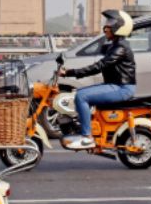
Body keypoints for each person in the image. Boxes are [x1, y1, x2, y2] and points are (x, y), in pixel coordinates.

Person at [58, 10, 136, 150]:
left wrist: (70, 72)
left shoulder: (121, 48)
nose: (105, 28)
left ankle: (87, 137)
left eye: (108, 26)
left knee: (82, 96)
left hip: (122, 87)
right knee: (80, 92)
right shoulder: (115, 45)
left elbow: (99, 66)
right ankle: (85, 126)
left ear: (117, 28)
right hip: (116, 85)